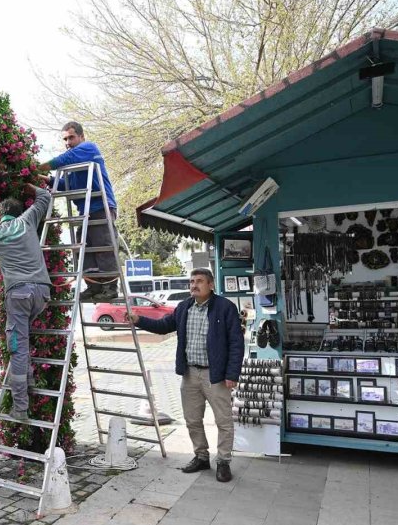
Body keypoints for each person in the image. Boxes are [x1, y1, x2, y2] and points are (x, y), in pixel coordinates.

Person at [127, 268, 244, 482]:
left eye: (199, 281)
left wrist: (232, 374)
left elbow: (236, 343)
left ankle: (223, 461)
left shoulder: (225, 307)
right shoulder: (184, 307)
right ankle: (201, 456)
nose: (194, 285)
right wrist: (138, 320)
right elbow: (163, 326)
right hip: (190, 374)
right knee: (192, 419)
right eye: (191, 281)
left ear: (211, 285)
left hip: (216, 376)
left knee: (223, 421)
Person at [0, 183, 52, 420]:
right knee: (23, 339)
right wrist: (29, 186)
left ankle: (20, 408)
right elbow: (44, 196)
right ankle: (29, 377)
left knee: (18, 348)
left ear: (1, 215)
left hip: (18, 294)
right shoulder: (27, 221)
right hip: (42, 293)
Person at [38, 121, 118, 302]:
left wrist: (34, 167)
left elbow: (61, 160)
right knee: (83, 249)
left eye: (71, 137)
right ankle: (94, 286)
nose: (68, 142)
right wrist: (41, 177)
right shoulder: (74, 166)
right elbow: (66, 185)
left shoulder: (88, 148)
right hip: (85, 211)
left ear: (82, 136)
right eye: (65, 139)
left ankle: (110, 287)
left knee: (103, 247)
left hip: (101, 207)